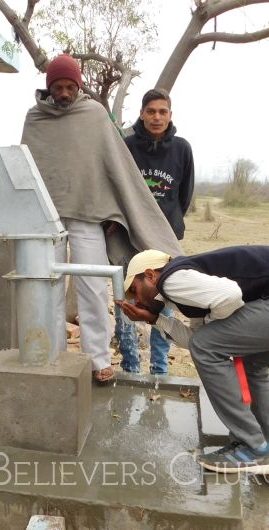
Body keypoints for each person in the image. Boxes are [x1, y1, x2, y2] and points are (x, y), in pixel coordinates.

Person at [117, 245, 269, 494]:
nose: (137, 300)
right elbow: (194, 340)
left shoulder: (171, 279)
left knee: (208, 345)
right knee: (252, 362)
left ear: (151, 275)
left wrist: (214, 324)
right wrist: (155, 319)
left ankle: (253, 447)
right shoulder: (192, 284)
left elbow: (228, 296)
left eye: (135, 290)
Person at [21, 54, 182, 384]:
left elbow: (114, 167)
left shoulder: (94, 114)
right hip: (45, 217)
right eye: (58, 87)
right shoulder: (35, 118)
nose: (64, 93)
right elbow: (26, 167)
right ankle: (52, 353)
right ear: (48, 87)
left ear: (78, 85)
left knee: (93, 286)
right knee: (45, 285)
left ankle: (98, 358)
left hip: (88, 213)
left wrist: (112, 208)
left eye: (70, 86)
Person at [115, 89, 195, 375]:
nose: (157, 117)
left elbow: (184, 195)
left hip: (165, 239)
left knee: (166, 302)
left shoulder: (182, 149)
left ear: (170, 115)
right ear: (141, 114)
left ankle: (159, 369)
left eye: (163, 111)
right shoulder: (127, 146)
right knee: (126, 298)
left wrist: (167, 224)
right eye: (151, 111)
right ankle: (130, 366)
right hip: (131, 237)